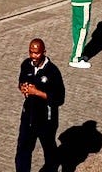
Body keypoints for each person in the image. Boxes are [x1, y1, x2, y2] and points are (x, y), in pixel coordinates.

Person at [16, 38, 64, 172]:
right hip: (28, 116)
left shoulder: (53, 72)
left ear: (44, 52)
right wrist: (23, 88)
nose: (33, 56)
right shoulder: (26, 65)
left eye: (36, 53)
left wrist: (36, 92)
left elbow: (59, 98)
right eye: (31, 52)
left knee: (49, 150)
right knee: (23, 148)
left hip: (46, 119)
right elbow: (20, 82)